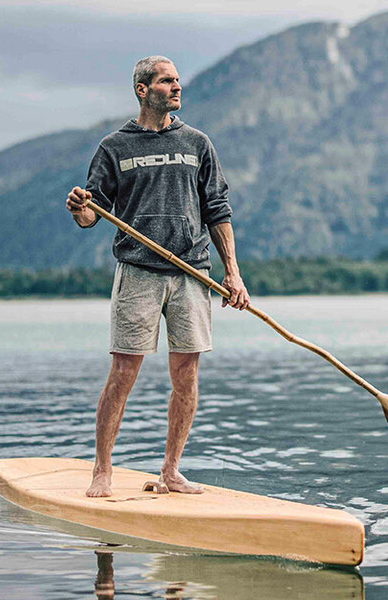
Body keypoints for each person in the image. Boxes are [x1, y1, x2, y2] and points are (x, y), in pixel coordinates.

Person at [64, 55, 250, 497]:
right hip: (139, 272)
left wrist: (234, 275)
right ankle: (103, 470)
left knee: (186, 375)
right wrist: (81, 209)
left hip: (192, 273)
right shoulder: (114, 147)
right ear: (143, 90)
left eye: (178, 80)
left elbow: (217, 210)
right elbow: (94, 212)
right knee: (123, 372)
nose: (177, 87)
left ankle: (170, 471)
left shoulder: (197, 143)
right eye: (167, 81)